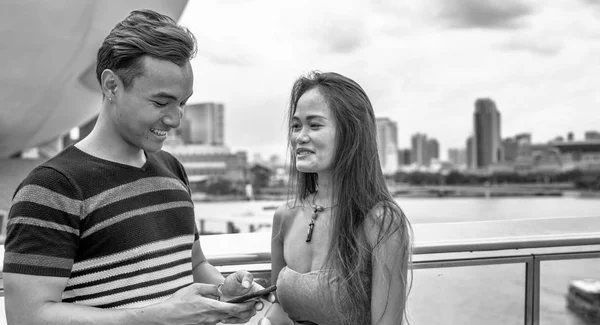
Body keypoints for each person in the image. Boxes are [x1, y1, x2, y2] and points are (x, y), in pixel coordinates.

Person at [3, 9, 273, 325]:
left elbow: (194, 264)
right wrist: (157, 317)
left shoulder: (172, 169)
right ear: (111, 86)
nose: (175, 119)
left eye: (182, 103)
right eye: (161, 103)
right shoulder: (52, 188)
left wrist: (225, 291)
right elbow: (27, 317)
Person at [259, 71, 412, 325]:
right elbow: (280, 312)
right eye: (296, 125)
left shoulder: (381, 221)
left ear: (350, 133)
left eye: (314, 125)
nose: (299, 137)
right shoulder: (285, 216)